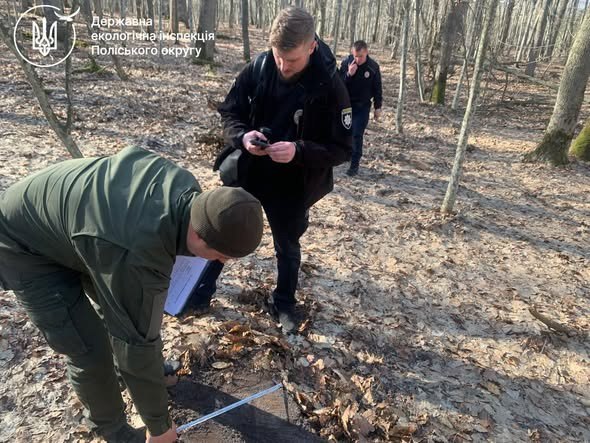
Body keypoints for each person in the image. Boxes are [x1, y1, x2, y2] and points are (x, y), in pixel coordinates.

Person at [0, 146, 264, 443]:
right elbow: (136, 340)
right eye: (219, 255)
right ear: (198, 233)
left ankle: (131, 375)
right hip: (24, 246)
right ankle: (112, 429)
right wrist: (160, 427)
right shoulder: (136, 252)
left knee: (123, 311)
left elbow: (131, 310)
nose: (221, 262)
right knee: (88, 348)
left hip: (83, 230)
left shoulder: (186, 189)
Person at [206, 6, 352, 333]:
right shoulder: (260, 66)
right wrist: (243, 137)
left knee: (287, 246)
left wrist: (299, 151)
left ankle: (284, 302)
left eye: (293, 60)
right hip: (250, 170)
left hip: (294, 182)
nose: (284, 67)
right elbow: (230, 112)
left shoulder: (330, 86)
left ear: (312, 47)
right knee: (222, 227)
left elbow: (343, 149)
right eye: (279, 57)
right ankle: (201, 289)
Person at [338, 40, 383, 176]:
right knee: (344, 132)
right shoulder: (347, 63)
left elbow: (377, 88)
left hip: (362, 106)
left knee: (357, 134)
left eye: (361, 56)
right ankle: (345, 155)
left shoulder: (373, 67)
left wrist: (378, 107)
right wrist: (348, 74)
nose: (358, 59)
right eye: (355, 56)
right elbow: (338, 84)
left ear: (366, 52)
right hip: (346, 105)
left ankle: (354, 165)